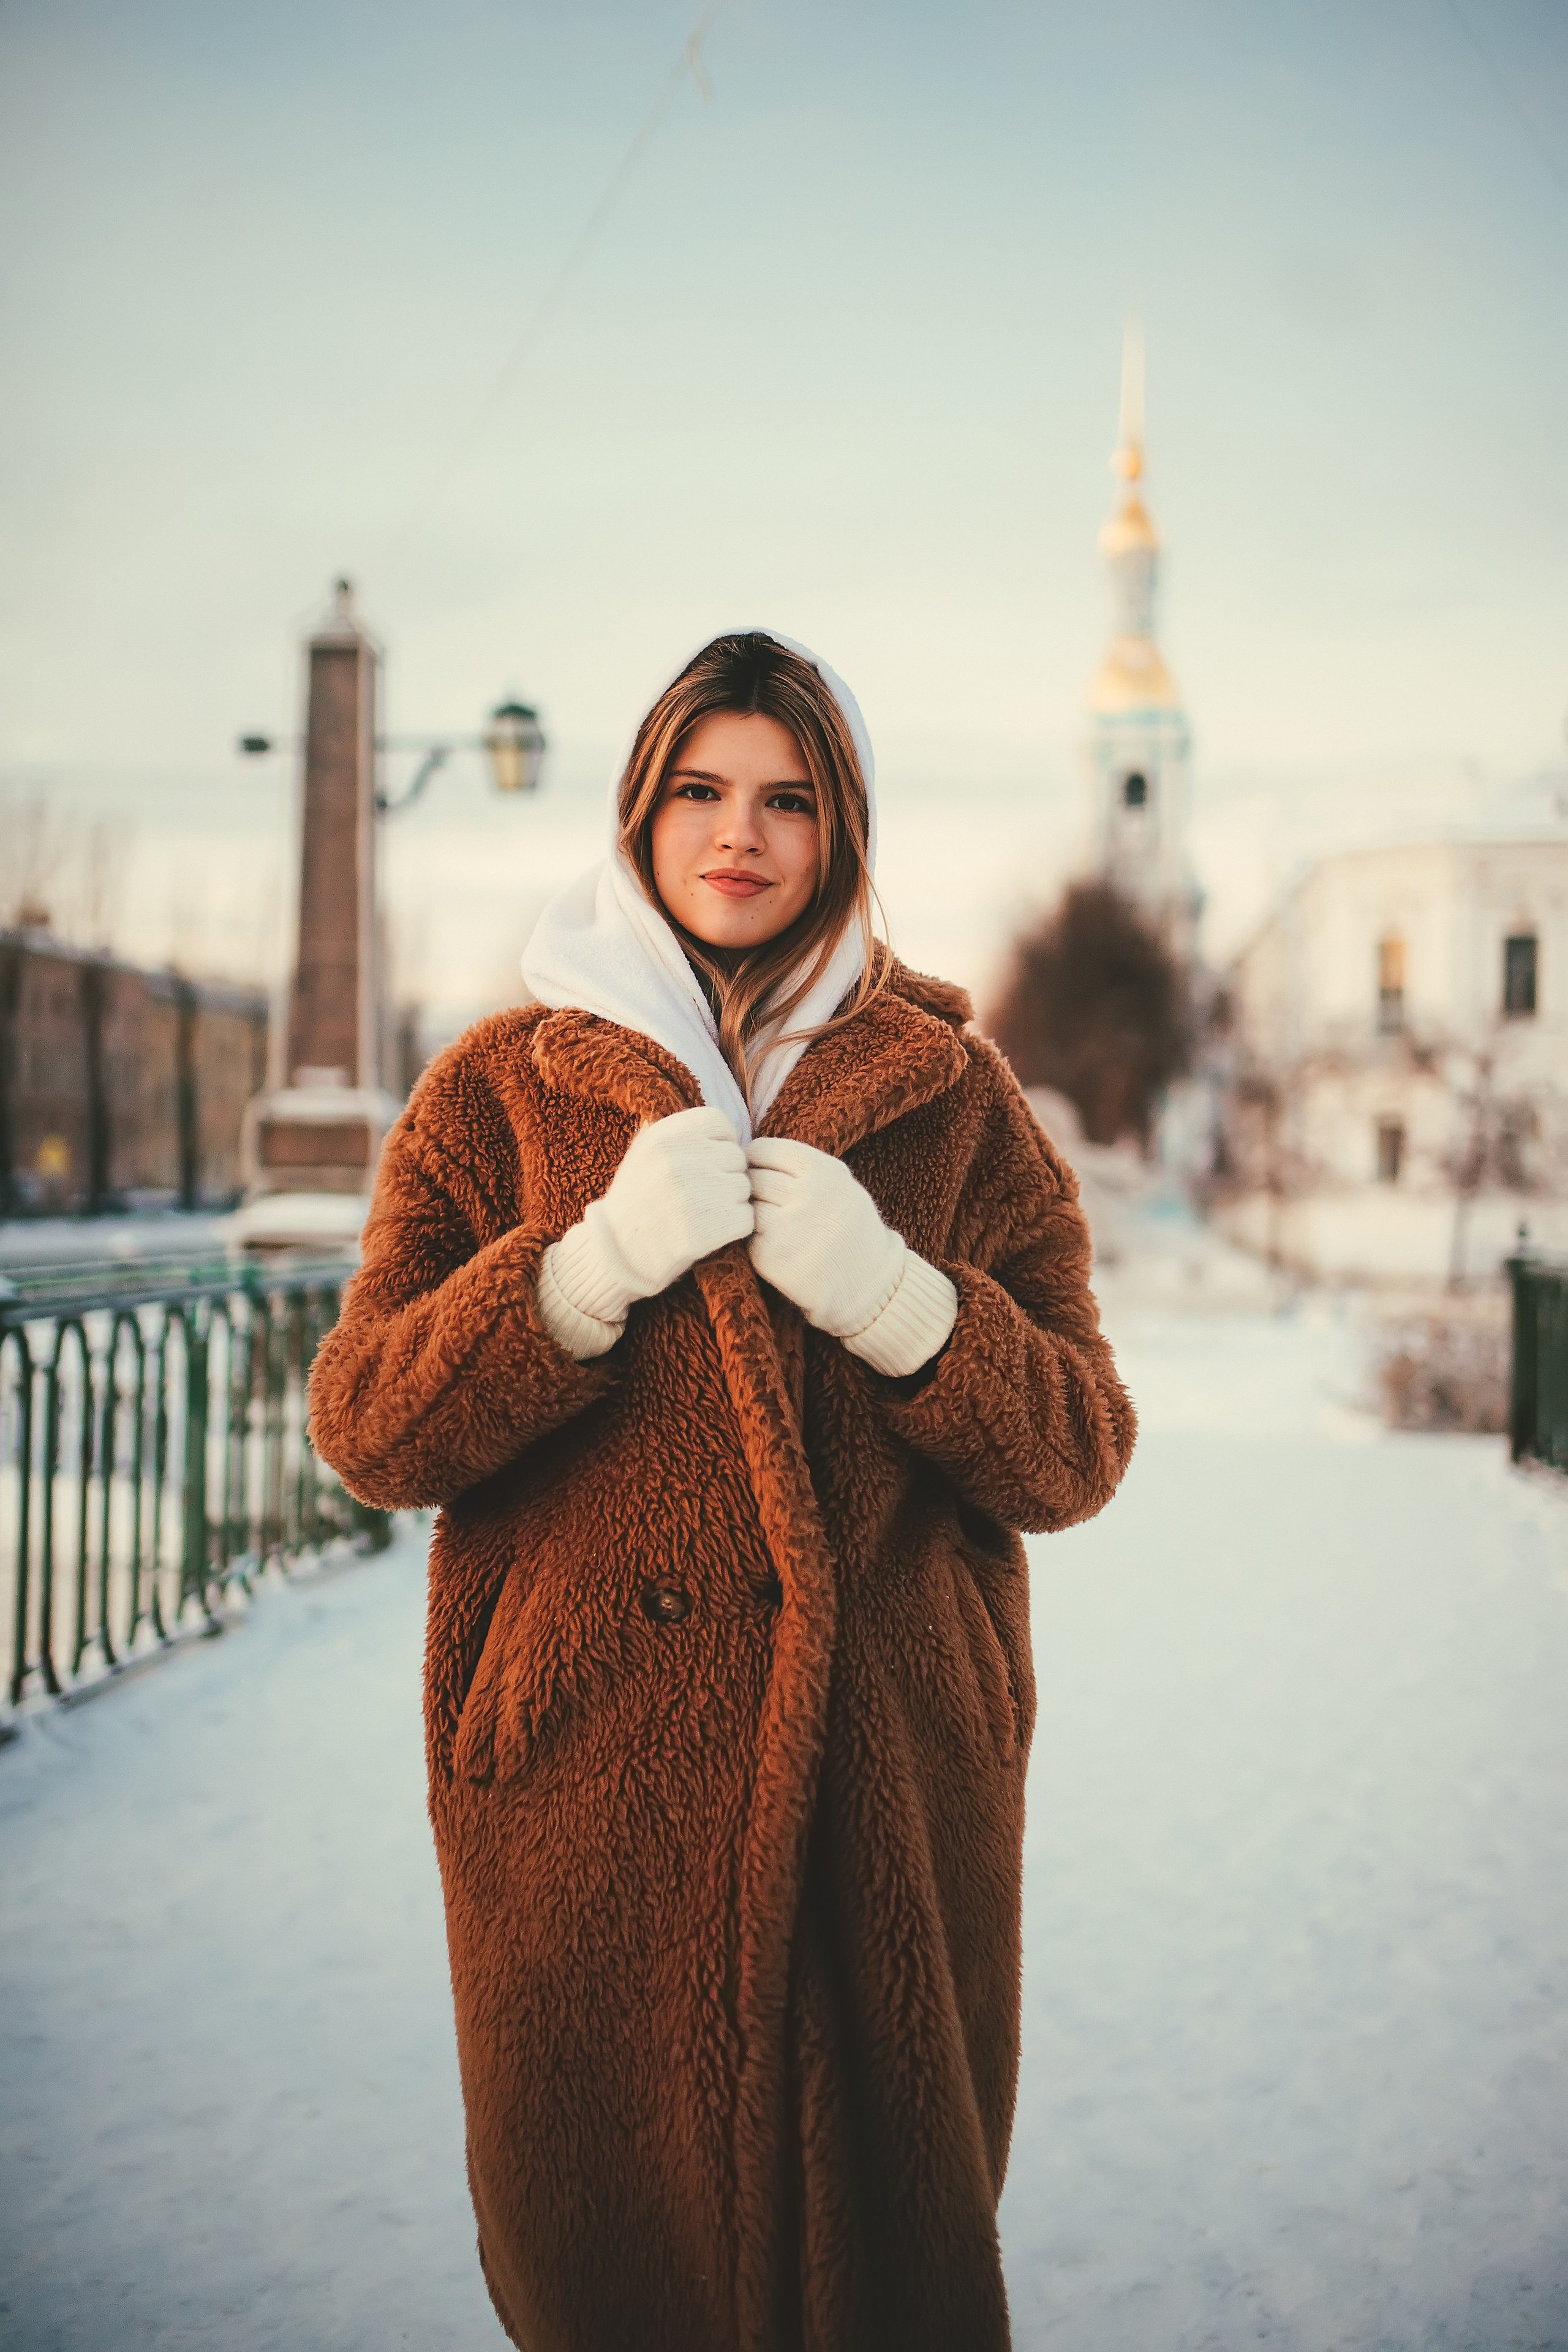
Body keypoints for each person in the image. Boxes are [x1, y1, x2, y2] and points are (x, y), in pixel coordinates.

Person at [309, 629, 1135, 2352]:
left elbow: (1078, 1450)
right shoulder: (501, 1089)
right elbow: (372, 1427)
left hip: (890, 1802)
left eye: (786, 799)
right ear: (639, 811)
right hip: (590, 1797)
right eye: (698, 790)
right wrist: (579, 1276)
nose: (737, 834)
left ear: (841, 831)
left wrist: (906, 1307)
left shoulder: (958, 1102)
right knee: (618, 2277)